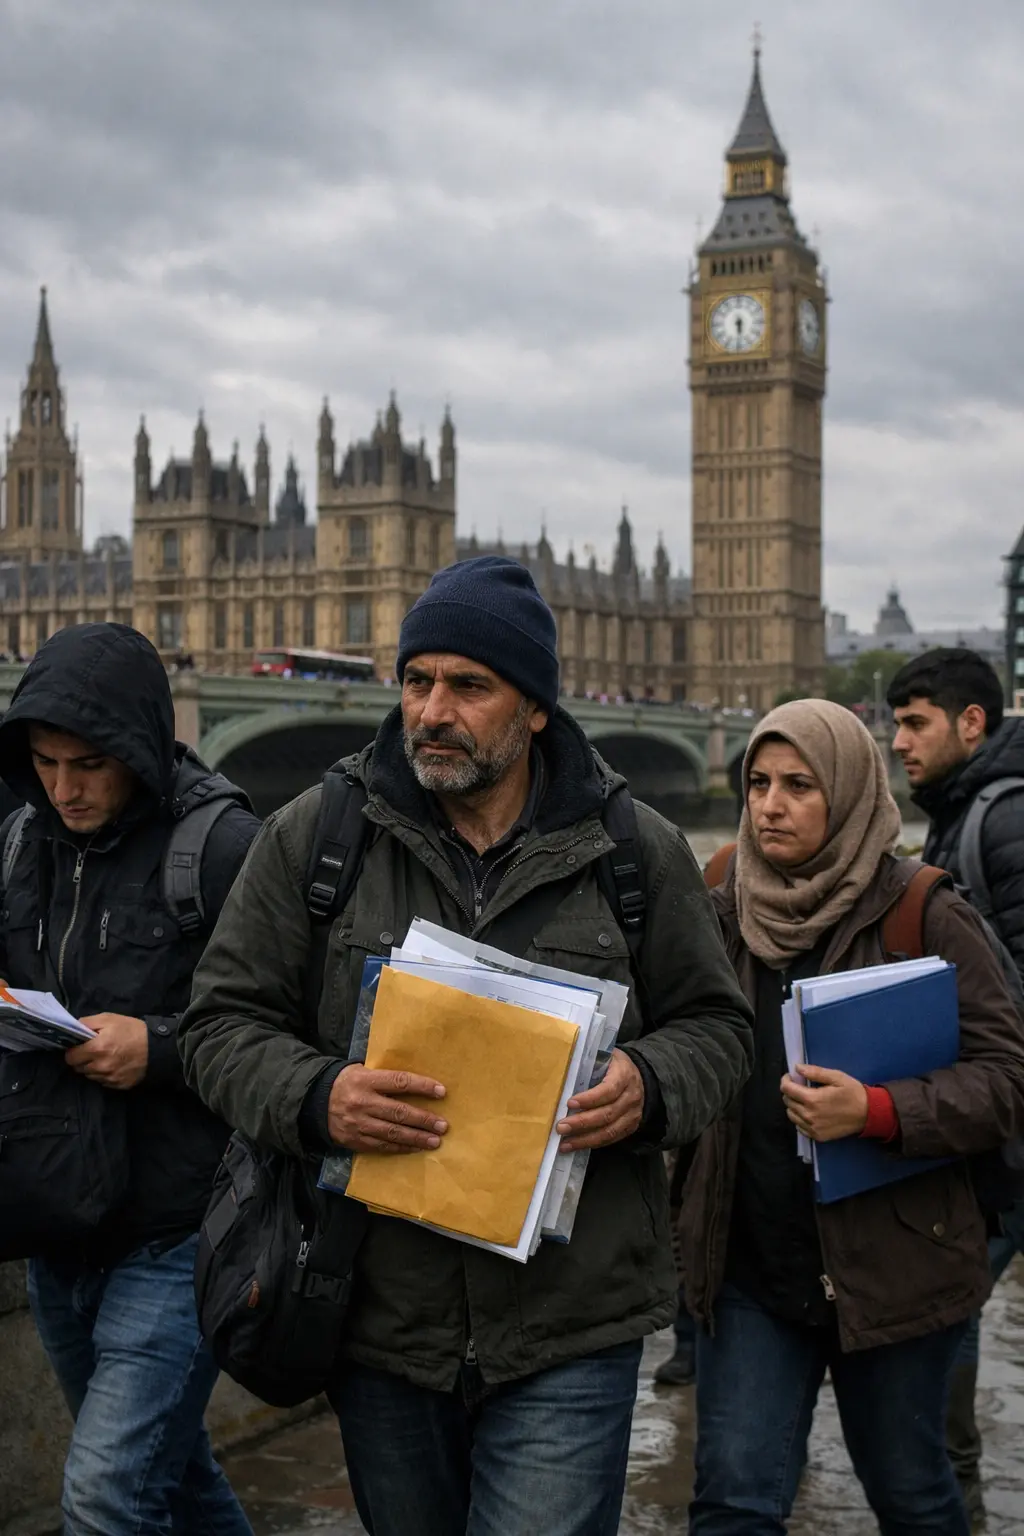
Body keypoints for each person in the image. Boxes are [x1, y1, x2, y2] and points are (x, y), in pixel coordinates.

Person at [180, 555, 754, 1536]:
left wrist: (649, 1085)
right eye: (416, 681)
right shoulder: (317, 837)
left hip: (569, 1325)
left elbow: (721, 1031)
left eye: (467, 686)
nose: (432, 709)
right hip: (376, 1321)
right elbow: (217, 1028)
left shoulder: (633, 849)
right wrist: (320, 1097)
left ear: (533, 708)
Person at [679, 698, 1024, 1536]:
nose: (771, 804)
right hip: (754, 1267)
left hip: (897, 1268)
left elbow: (1007, 1081)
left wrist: (874, 1112)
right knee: (732, 1505)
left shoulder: (927, 911)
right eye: (758, 782)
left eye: (799, 785)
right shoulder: (720, 902)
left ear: (849, 790)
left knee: (911, 1495)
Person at [0, 623, 260, 1536]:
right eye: (43, 763)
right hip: (56, 1228)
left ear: (139, 751)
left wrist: (158, 1048)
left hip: (178, 1234)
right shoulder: (18, 845)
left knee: (105, 1496)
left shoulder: (222, 853)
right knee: (171, 1479)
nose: (63, 790)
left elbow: (295, 1034)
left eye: (88, 767)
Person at [888, 646, 1024, 1527]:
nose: (896, 740)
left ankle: (953, 1504)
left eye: (913, 723)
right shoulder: (961, 813)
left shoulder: (1000, 821)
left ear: (970, 724)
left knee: (947, 1312)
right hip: (984, 1127)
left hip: (1003, 1132)